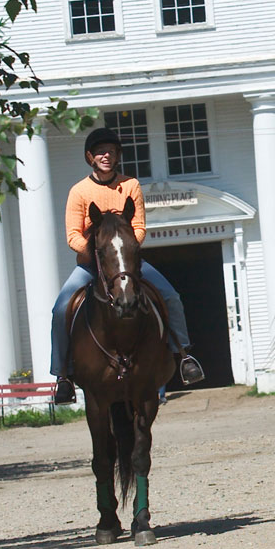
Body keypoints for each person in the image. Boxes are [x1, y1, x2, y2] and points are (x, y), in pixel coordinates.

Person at [50, 127, 205, 404]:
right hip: (91, 264)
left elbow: (139, 227)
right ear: (90, 157)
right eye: (100, 152)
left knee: (170, 296)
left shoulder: (131, 185)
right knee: (61, 308)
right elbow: (72, 234)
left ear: (118, 155)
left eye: (110, 151)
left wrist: (125, 250)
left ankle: (184, 355)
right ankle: (63, 374)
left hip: (127, 263)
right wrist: (97, 253)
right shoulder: (79, 191)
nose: (105, 156)